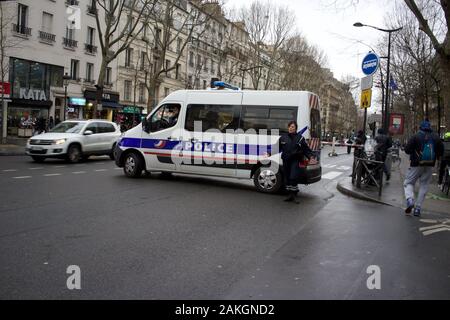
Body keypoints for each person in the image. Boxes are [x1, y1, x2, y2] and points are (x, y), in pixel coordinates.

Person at [404, 120, 444, 217]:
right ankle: (418, 208)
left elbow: (407, 150)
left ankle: (410, 200)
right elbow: (441, 151)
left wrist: (415, 152)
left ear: (420, 127)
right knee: (424, 185)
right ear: (430, 127)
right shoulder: (436, 137)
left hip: (416, 164)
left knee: (408, 183)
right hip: (429, 165)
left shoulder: (416, 136)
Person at [279, 121, 315, 203]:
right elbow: (277, 148)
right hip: (286, 160)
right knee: (287, 178)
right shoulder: (283, 137)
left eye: (293, 127)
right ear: (288, 127)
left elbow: (306, 149)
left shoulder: (300, 138)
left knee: (293, 177)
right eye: (290, 127)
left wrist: (310, 157)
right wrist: (269, 152)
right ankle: (289, 195)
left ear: (296, 128)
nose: (291, 128)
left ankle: (294, 194)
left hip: (295, 160)